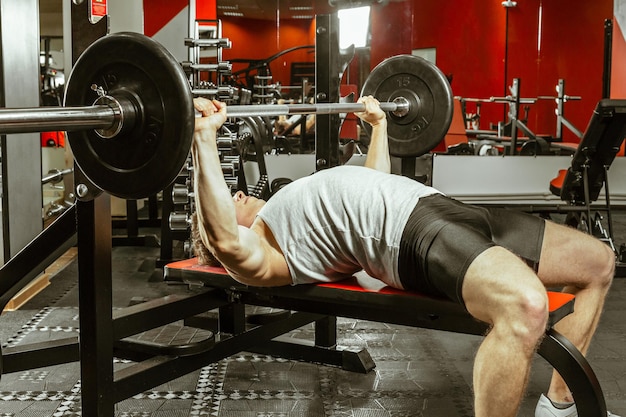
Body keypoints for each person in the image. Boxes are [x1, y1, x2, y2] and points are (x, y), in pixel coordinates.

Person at [191, 95, 618, 417]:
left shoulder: (290, 202)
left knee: (597, 261)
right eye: (231, 199)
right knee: (525, 306)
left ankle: (559, 408)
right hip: (411, 234)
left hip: (439, 206)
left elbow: (372, 183)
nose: (240, 192)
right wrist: (203, 137)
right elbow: (224, 239)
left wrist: (378, 126)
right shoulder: (262, 254)